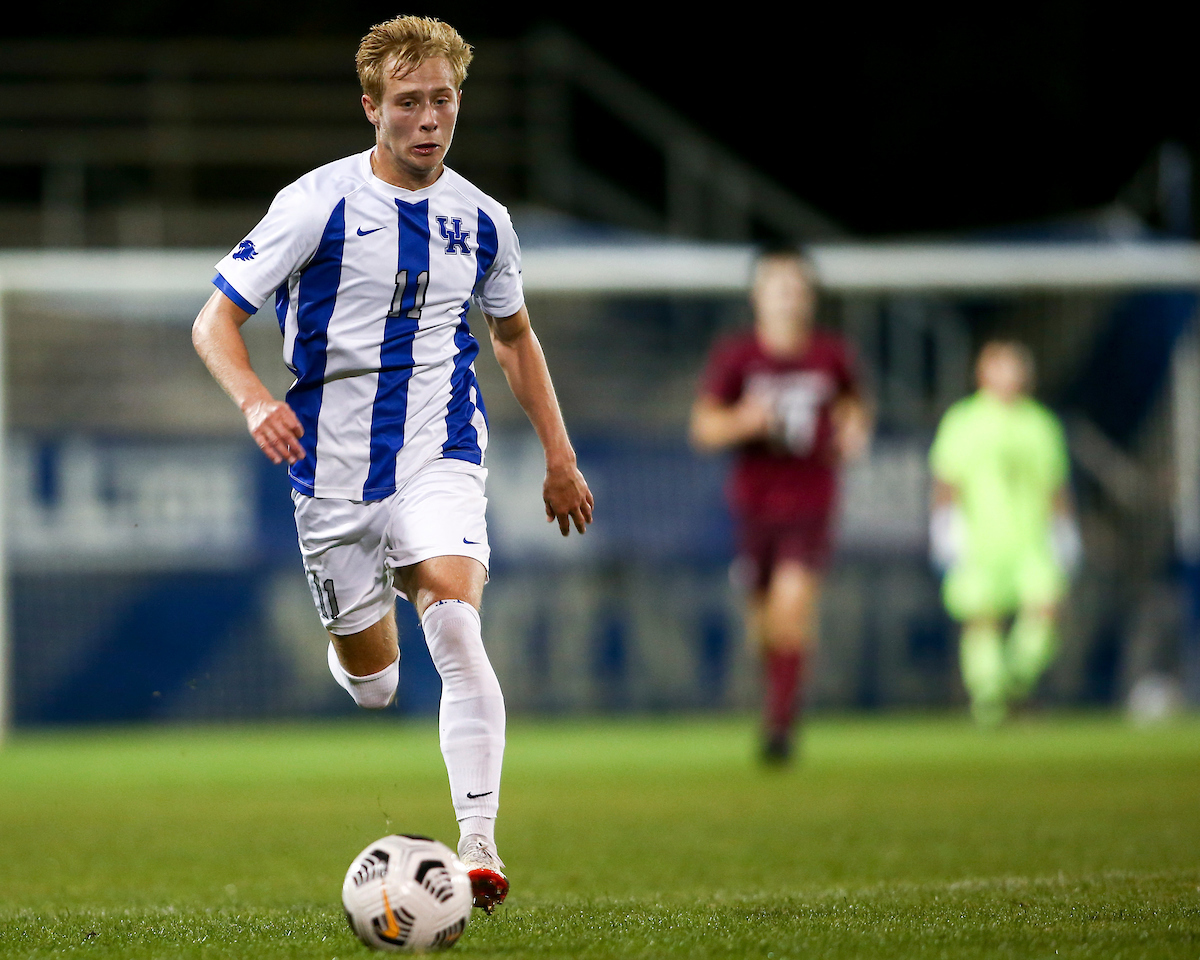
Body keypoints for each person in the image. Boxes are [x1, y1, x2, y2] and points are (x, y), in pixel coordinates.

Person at [191, 15, 593, 914]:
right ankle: (362, 647)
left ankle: (478, 847)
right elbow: (213, 321)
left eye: (442, 100)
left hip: (439, 451)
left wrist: (559, 455)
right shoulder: (316, 204)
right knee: (375, 686)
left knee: (455, 626)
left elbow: (513, 337)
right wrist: (255, 401)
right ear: (371, 107)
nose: (428, 119)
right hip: (331, 473)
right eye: (408, 102)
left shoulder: (484, 221)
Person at [690, 249, 870, 762]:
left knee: (792, 605)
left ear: (809, 298)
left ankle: (781, 727)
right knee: (764, 625)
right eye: (778, 287)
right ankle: (777, 701)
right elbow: (704, 427)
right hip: (753, 505)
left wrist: (854, 429)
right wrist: (743, 422)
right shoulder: (737, 357)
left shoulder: (831, 354)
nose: (788, 297)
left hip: (811, 500)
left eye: (797, 288)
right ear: (758, 296)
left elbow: (854, 405)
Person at [929, 340, 1079, 727]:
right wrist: (945, 526)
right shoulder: (963, 420)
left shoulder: (1041, 424)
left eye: (1016, 367)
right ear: (983, 373)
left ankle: (1016, 679)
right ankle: (989, 698)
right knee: (981, 618)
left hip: (1031, 540)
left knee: (1046, 608)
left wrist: (1064, 530)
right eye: (1001, 366)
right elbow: (946, 480)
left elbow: (1055, 484)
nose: (1010, 375)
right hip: (980, 541)